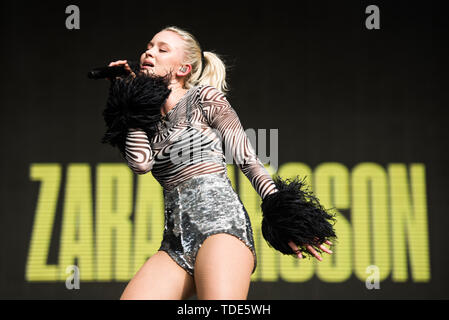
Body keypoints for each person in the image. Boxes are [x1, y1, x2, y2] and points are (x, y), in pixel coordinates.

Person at [103, 25, 336, 300]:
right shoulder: (149, 122)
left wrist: (286, 216)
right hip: (175, 243)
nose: (148, 52)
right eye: (148, 46)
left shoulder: (204, 99)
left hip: (221, 229)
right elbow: (141, 164)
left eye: (162, 49)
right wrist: (128, 100)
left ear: (184, 69)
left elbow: (247, 158)